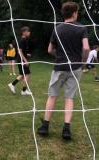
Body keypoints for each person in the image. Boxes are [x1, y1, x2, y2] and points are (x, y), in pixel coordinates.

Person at [37, 2, 90, 140]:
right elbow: (86, 48)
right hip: (75, 68)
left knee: (52, 95)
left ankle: (45, 126)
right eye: (77, 12)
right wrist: (82, 62)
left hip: (59, 66)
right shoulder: (82, 28)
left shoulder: (57, 29)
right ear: (74, 13)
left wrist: (59, 56)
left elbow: (49, 50)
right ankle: (66, 129)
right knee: (69, 97)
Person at [8, 26, 32, 95]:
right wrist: (25, 60)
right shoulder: (22, 40)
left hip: (21, 59)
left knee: (22, 75)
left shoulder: (24, 40)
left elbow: (22, 51)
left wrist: (27, 55)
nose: (29, 32)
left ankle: (12, 84)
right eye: (28, 31)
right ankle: (23, 91)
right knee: (27, 74)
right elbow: (19, 51)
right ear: (24, 32)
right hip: (22, 60)